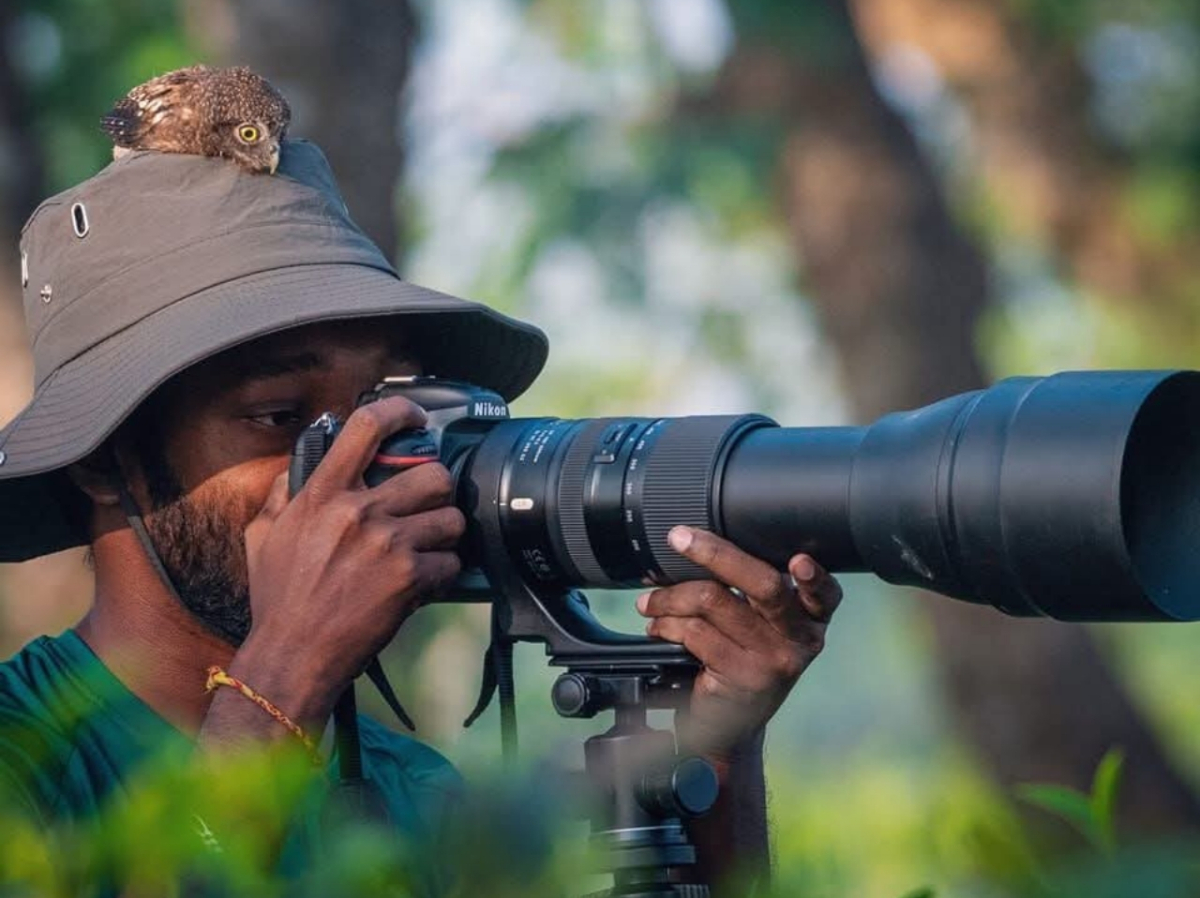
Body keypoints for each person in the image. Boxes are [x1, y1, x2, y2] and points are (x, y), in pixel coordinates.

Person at [0, 139, 842, 894]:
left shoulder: (418, 797)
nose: (353, 466)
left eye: (381, 408)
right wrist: (281, 678)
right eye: (280, 414)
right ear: (105, 459)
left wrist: (715, 746)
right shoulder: (25, 760)